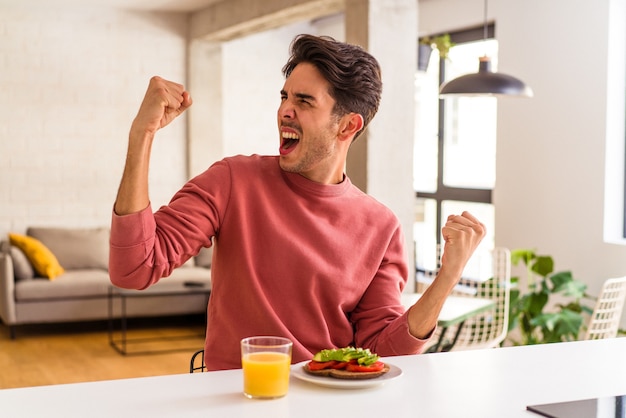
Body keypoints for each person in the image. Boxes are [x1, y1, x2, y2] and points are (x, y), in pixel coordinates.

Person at [109, 34, 486, 371]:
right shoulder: (231, 181)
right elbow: (133, 268)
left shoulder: (381, 226)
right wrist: (142, 134)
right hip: (235, 397)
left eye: (304, 101)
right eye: (285, 96)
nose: (285, 110)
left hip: (327, 402)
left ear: (348, 126)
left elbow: (381, 353)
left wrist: (447, 277)